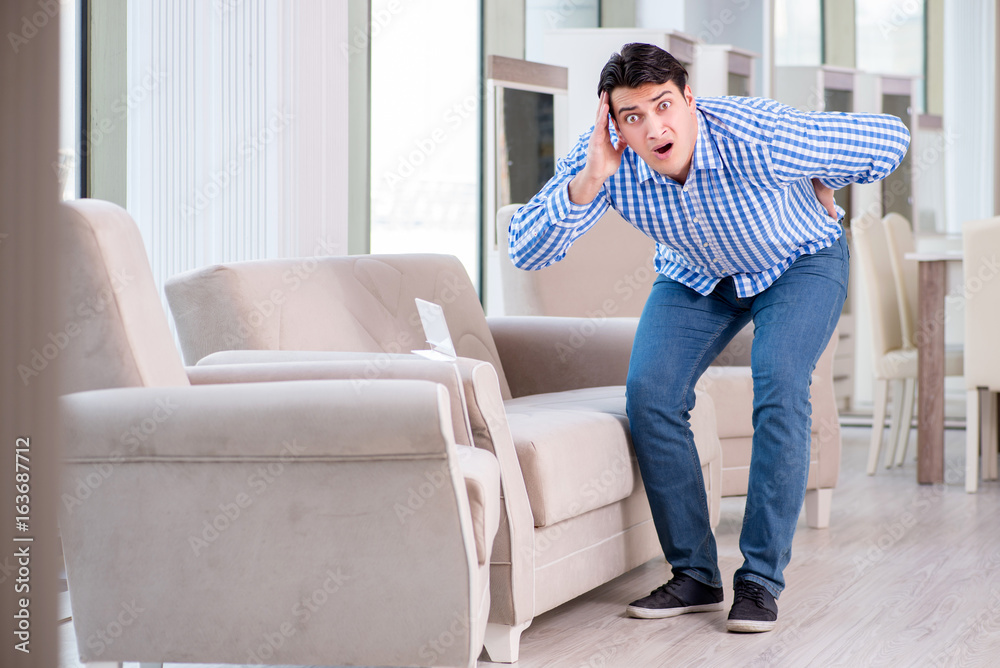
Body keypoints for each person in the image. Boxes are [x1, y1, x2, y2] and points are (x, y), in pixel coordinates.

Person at [508, 42, 909, 633]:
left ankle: (759, 580)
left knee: (779, 382)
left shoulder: (760, 133)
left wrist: (830, 177)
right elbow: (526, 249)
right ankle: (695, 573)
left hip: (798, 261)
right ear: (612, 122)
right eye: (633, 116)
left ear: (688, 98)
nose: (654, 127)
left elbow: (889, 137)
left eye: (663, 105)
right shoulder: (608, 158)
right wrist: (591, 179)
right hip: (697, 277)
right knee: (651, 394)